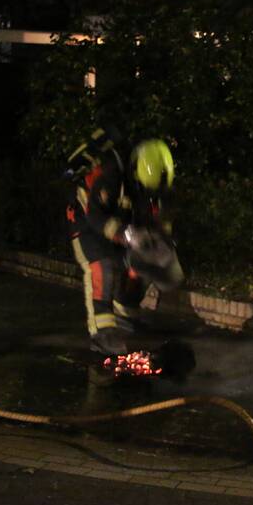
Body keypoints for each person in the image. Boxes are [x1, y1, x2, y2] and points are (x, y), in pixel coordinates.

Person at [65, 127, 175, 374]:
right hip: (86, 220)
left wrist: (158, 242)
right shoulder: (111, 172)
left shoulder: (154, 179)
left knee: (142, 263)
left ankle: (126, 314)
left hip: (117, 221)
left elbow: (158, 214)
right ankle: (101, 333)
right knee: (101, 268)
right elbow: (95, 216)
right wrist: (126, 234)